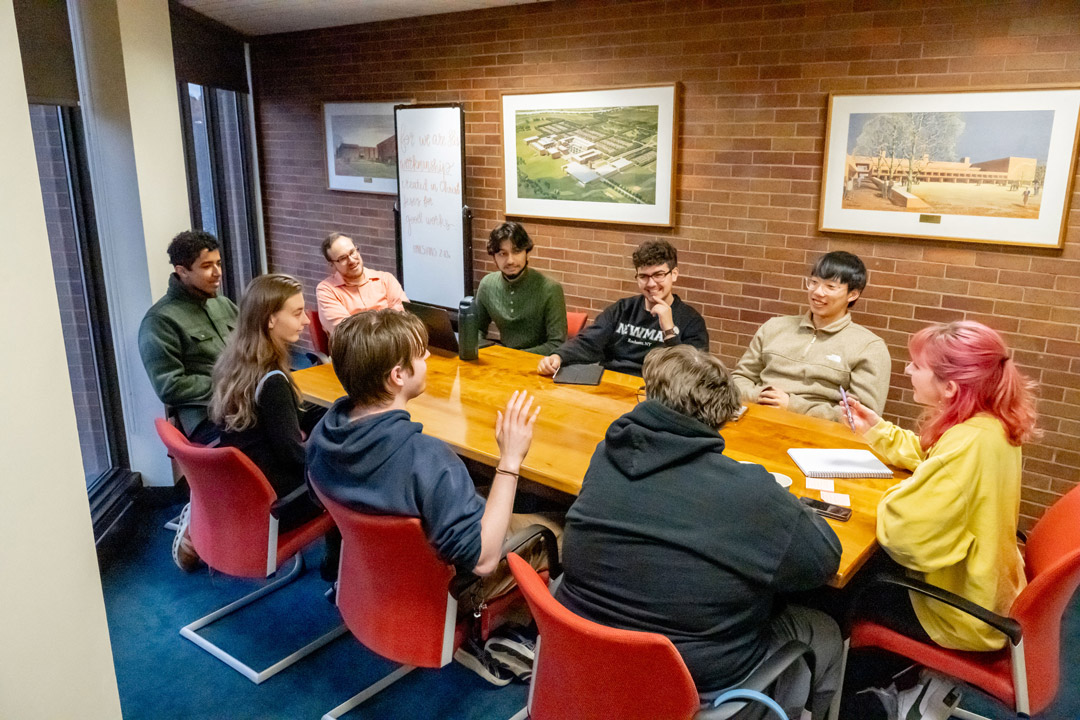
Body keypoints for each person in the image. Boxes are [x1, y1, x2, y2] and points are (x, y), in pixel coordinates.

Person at [555, 345, 843, 720]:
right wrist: (791, 507)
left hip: (585, 648)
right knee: (825, 627)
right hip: (694, 682)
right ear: (724, 415)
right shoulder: (749, 491)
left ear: (651, 396)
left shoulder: (606, 455)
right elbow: (823, 561)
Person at [305, 309, 558, 685]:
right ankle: (510, 631)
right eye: (420, 354)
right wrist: (510, 459)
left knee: (486, 493)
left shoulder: (322, 436)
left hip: (377, 575)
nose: (426, 359)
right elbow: (485, 560)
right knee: (557, 523)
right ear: (397, 376)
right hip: (452, 583)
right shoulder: (428, 459)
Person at [841, 321, 1038, 652]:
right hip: (986, 589)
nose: (907, 370)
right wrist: (875, 429)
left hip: (958, 611)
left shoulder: (969, 443)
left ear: (950, 388)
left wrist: (892, 494)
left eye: (917, 366)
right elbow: (930, 455)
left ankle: (862, 690)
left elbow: (904, 536)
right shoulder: (987, 425)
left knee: (838, 588)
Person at [210, 274, 327, 537]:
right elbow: (294, 456)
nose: (307, 320)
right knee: (350, 478)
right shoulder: (272, 381)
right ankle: (333, 568)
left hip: (247, 494)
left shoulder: (237, 363)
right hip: (279, 503)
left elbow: (287, 416)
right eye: (297, 313)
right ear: (270, 319)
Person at [733, 251, 891, 421]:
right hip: (756, 418)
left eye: (830, 287)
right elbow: (739, 379)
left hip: (818, 433)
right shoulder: (773, 327)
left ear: (853, 294)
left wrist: (793, 406)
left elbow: (862, 415)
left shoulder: (869, 347)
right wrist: (760, 395)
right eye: (813, 282)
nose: (817, 292)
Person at [537, 239, 708, 377]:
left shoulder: (691, 321)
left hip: (658, 393)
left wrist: (669, 330)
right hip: (611, 385)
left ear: (674, 274)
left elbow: (693, 375)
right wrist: (558, 356)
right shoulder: (622, 309)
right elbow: (588, 342)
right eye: (643, 276)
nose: (651, 283)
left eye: (658, 275)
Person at [139, 230, 237, 445]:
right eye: (206, 266)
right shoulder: (160, 321)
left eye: (218, 263)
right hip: (208, 419)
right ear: (182, 271)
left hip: (245, 406)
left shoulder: (223, 305)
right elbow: (170, 386)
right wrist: (231, 383)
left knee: (318, 414)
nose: (217, 272)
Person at [474, 221, 567, 355]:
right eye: (502, 253)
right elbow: (477, 329)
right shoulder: (487, 285)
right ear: (493, 256)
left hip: (539, 365)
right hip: (503, 364)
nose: (510, 260)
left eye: (516, 251)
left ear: (526, 252)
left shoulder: (550, 289)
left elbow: (557, 343)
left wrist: (514, 357)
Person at [315, 232, 407, 334]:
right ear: (332, 264)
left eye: (352, 252)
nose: (351, 260)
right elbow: (348, 334)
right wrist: (387, 320)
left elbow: (405, 318)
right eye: (342, 258)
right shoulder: (326, 290)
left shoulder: (386, 279)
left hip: (397, 343)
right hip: (358, 349)